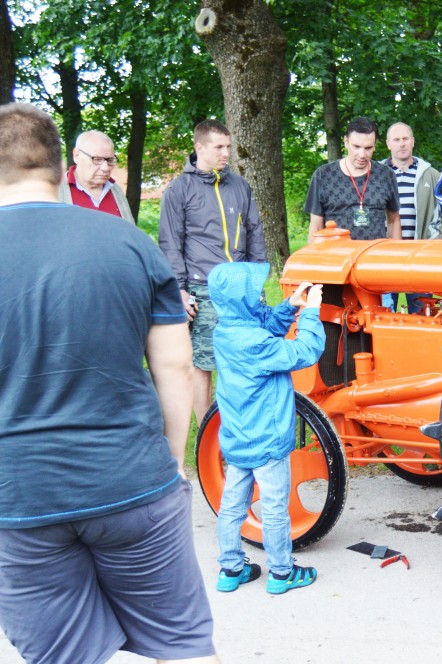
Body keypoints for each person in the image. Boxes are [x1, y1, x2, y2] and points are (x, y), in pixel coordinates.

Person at [0, 103, 219, 663]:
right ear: (58, 165)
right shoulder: (131, 244)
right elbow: (173, 366)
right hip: (131, 480)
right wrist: (171, 462)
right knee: (182, 648)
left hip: (18, 502)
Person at [209, 262, 327, 592]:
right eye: (256, 294)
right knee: (275, 508)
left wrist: (290, 306)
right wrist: (310, 313)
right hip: (267, 440)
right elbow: (306, 350)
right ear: (243, 301)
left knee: (232, 505)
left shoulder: (226, 331)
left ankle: (230, 570)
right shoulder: (257, 345)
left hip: (237, 437)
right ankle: (281, 572)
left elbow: (263, 325)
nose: (262, 296)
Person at [159, 118, 267, 428]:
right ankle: (209, 435)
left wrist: (256, 281)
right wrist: (178, 290)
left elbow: (255, 233)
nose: (226, 153)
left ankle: (239, 426)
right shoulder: (180, 188)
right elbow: (170, 242)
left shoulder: (240, 185)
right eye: (219, 147)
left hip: (241, 288)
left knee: (242, 360)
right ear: (199, 147)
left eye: (229, 147)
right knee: (203, 364)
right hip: (203, 288)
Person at [306, 116, 401, 243]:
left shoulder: (386, 175)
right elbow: (316, 226)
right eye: (356, 147)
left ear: (374, 146)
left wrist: (396, 257)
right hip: (336, 256)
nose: (362, 154)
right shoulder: (323, 175)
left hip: (375, 256)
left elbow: (394, 220)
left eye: (368, 148)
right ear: (346, 142)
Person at [383, 122, 442, 240]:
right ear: (388, 144)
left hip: (422, 250)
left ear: (412, 141)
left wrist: (438, 239)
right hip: (385, 251)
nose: (402, 144)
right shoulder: (377, 175)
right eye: (396, 140)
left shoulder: (431, 175)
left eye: (405, 139)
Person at [57, 130, 134, 222]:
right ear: (77, 155)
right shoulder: (55, 190)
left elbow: (129, 231)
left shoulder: (116, 190)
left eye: (110, 160)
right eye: (97, 159)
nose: (105, 168)